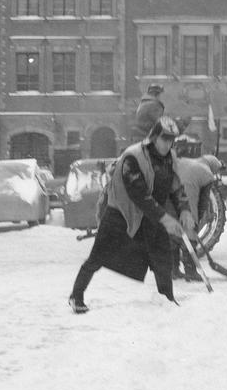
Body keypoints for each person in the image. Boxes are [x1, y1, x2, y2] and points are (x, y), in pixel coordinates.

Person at [68, 116, 195, 314]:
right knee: (97, 257)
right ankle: (76, 295)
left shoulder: (170, 158)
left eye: (171, 140)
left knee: (162, 258)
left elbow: (176, 187)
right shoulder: (133, 157)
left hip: (151, 216)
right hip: (121, 215)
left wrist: (184, 209)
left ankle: (168, 301)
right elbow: (139, 195)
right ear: (154, 137)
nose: (168, 144)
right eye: (164, 139)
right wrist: (165, 218)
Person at [169, 154, 224, 281]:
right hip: (189, 198)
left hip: (173, 193)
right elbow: (203, 201)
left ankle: (173, 270)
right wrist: (196, 220)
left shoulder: (185, 161)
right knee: (190, 236)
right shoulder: (208, 174)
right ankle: (190, 271)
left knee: (173, 236)